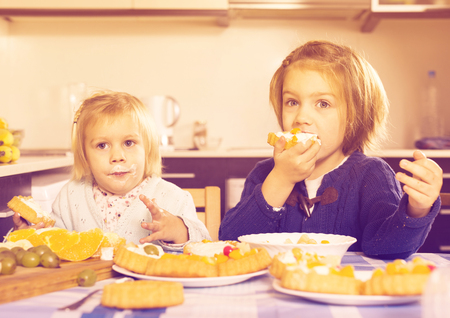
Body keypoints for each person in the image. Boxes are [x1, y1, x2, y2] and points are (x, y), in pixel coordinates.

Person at [219, 40, 443, 259]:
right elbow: (230, 242)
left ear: (357, 115)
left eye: (323, 104)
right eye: (292, 102)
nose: (301, 117)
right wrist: (280, 180)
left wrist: (416, 210)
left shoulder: (372, 174)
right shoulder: (264, 173)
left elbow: (386, 248)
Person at [13, 91, 211, 250]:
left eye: (128, 142)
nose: (117, 156)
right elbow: (54, 244)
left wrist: (178, 230)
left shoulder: (174, 198)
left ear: (148, 149)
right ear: (85, 156)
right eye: (102, 146)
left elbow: (204, 246)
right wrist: (30, 235)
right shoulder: (70, 196)